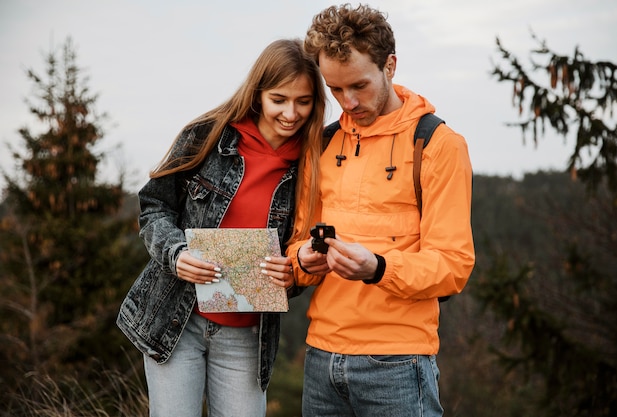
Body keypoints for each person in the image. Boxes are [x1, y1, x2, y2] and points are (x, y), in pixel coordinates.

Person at [116, 38, 326, 417]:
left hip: (248, 336)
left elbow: (306, 251)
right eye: (279, 99)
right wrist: (175, 254)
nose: (291, 113)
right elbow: (153, 206)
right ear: (259, 93)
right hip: (177, 322)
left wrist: (291, 273)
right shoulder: (208, 135)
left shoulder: (314, 163)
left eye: (303, 101)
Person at [286, 4, 475, 416]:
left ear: (390, 65)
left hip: (399, 362)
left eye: (359, 85)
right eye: (334, 90)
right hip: (320, 358)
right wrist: (302, 259)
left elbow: (453, 265)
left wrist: (378, 268)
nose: (348, 102)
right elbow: (296, 249)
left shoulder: (438, 145)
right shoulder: (320, 144)